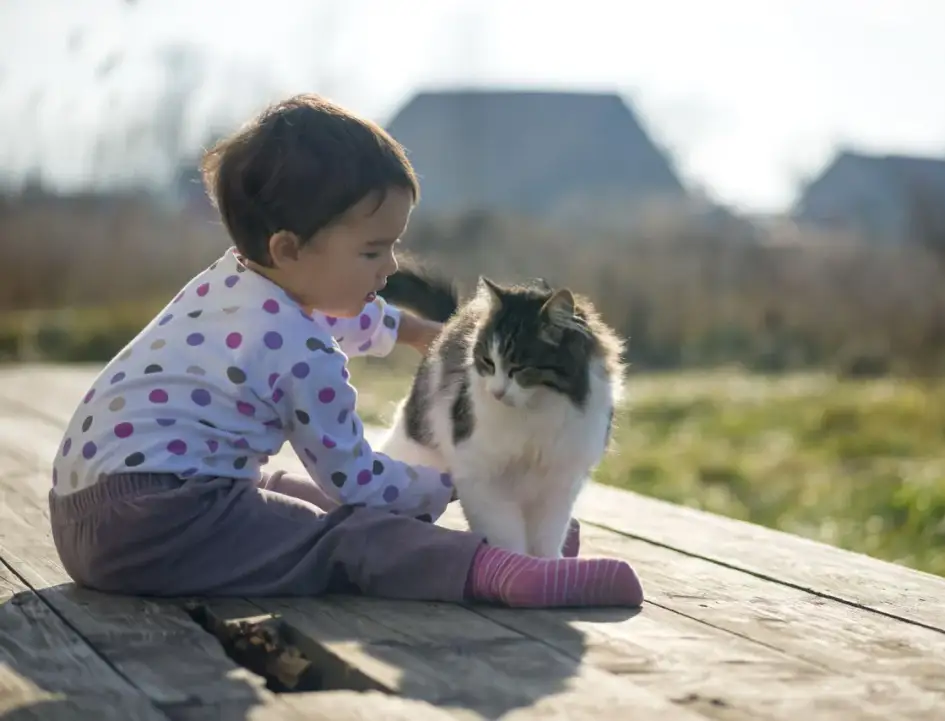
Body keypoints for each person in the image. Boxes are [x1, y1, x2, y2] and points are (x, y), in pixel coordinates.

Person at [48, 93, 644, 608]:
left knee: (282, 492)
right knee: (347, 534)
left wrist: (409, 330)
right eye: (372, 252)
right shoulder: (304, 355)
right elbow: (355, 481)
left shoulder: (228, 282)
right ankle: (498, 571)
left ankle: (505, 548)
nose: (390, 266)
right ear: (287, 248)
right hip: (160, 525)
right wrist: (452, 485)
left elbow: (327, 311)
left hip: (79, 515)